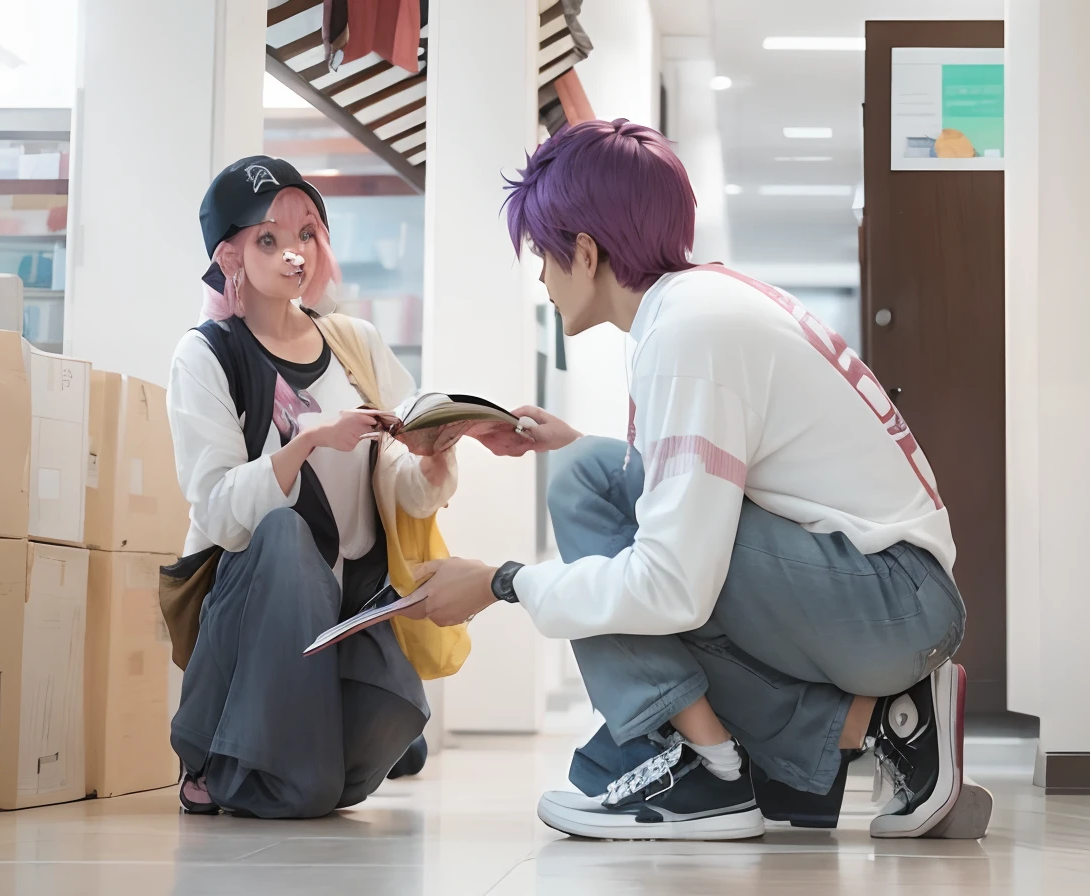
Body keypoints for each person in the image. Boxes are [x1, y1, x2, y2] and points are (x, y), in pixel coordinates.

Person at [413, 120, 968, 841]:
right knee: (589, 476)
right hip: (879, 592)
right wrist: (576, 445)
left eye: (543, 258)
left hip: (892, 605)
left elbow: (672, 583)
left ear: (584, 251)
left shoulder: (688, 334)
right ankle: (868, 730)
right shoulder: (696, 308)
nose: (542, 280)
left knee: (617, 526)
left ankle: (703, 767)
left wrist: (500, 582)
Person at [166, 156, 462, 818]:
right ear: (230, 253)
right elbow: (217, 512)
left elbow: (397, 486)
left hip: (350, 603)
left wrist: (434, 463)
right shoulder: (207, 354)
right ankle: (223, 751)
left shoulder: (353, 342)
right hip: (254, 612)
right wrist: (304, 443)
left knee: (359, 757)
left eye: (306, 234)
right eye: (268, 239)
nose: (293, 254)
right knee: (283, 536)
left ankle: (312, 737)